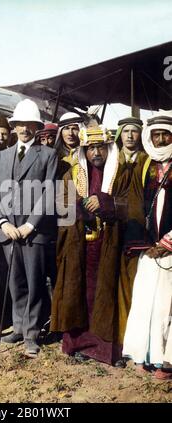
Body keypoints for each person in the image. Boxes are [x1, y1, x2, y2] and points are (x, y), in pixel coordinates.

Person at [51, 125, 131, 365]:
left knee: (105, 294)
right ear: (84, 151)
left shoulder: (122, 172)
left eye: (100, 147)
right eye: (90, 148)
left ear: (108, 148)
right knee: (77, 292)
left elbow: (132, 204)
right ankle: (78, 343)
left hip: (110, 245)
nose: (96, 153)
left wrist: (106, 202)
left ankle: (104, 349)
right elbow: (62, 206)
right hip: (79, 244)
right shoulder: (72, 173)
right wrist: (79, 206)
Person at [0, 99, 58, 356]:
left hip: (35, 232)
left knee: (35, 282)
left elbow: (49, 192)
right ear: (14, 126)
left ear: (37, 127)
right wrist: (4, 222)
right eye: (20, 125)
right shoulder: (3, 155)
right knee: (15, 281)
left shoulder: (48, 155)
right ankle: (18, 327)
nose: (24, 129)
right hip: (9, 232)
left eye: (30, 125)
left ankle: (32, 333)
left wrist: (30, 225)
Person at [122, 112, 172, 380]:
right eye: (156, 134)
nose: (161, 139)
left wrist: (167, 243)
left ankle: (166, 361)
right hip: (150, 248)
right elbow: (138, 205)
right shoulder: (148, 164)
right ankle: (144, 355)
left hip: (169, 248)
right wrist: (146, 242)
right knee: (144, 302)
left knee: (166, 306)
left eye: (166, 134)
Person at [115, 117, 147, 350]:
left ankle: (133, 337)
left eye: (134, 132)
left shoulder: (147, 161)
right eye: (125, 131)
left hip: (137, 229)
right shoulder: (112, 160)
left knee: (134, 281)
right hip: (112, 228)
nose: (129, 136)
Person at [54, 112, 84, 177]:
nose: (70, 133)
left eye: (74, 129)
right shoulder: (54, 155)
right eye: (66, 128)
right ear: (60, 132)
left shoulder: (86, 154)